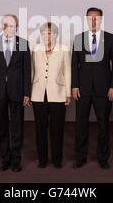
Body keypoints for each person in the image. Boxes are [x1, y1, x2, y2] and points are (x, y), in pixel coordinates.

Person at [71, 7, 113, 169]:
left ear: (101, 20)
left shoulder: (111, 39)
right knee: (80, 125)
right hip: (82, 90)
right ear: (86, 20)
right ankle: (80, 157)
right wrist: (74, 85)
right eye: (90, 18)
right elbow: (74, 65)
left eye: (96, 18)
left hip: (104, 90)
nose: (93, 21)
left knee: (103, 125)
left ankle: (103, 158)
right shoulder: (79, 39)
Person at [0, 14, 31, 172]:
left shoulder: (24, 44)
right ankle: (5, 159)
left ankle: (16, 160)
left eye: (15, 26)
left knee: (17, 127)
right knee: (2, 126)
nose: (14, 29)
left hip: (17, 91)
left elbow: (27, 70)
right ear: (3, 26)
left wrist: (27, 93)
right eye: (10, 26)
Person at [31, 22, 71, 169]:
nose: (47, 35)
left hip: (58, 93)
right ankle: (42, 159)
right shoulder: (35, 49)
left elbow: (67, 71)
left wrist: (67, 93)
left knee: (57, 128)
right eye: (44, 33)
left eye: (50, 32)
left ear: (55, 34)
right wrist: (28, 93)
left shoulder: (63, 49)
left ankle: (57, 160)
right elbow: (31, 71)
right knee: (40, 128)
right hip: (38, 93)